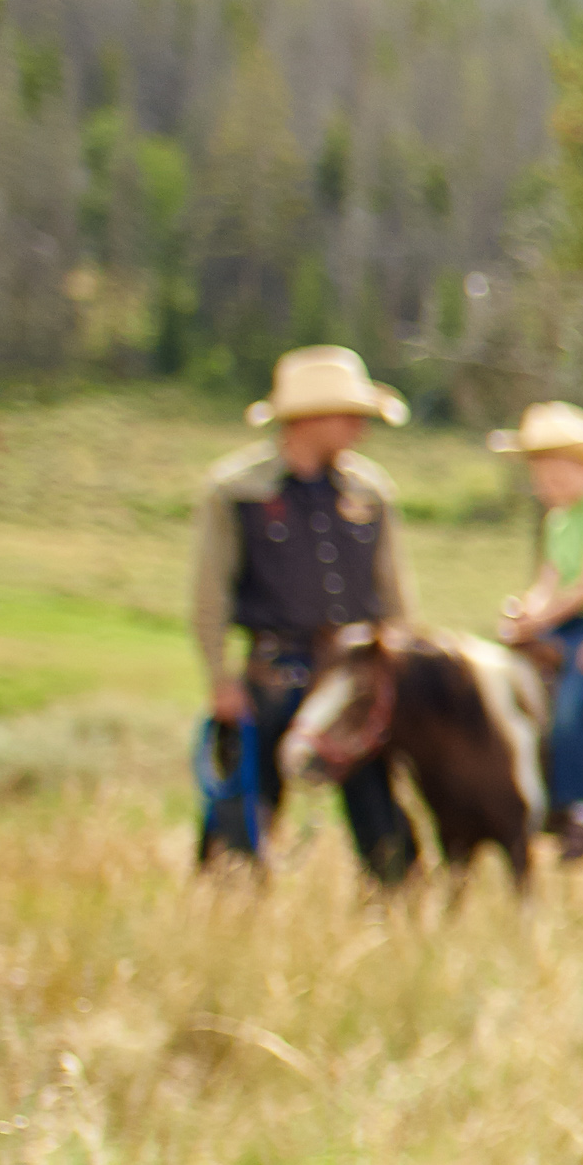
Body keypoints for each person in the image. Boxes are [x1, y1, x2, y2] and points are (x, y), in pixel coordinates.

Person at [186, 342, 423, 883]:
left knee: (376, 800)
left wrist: (401, 666)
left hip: (354, 670)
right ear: (310, 419)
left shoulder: (370, 491)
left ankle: (395, 895)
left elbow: (394, 591)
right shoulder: (237, 492)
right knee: (246, 799)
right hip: (275, 667)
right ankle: (229, 894)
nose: (359, 431)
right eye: (349, 417)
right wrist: (219, 678)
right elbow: (210, 594)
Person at [488, 399, 583, 859]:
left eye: (559, 471)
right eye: (541, 473)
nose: (549, 482)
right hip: (561, 618)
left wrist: (543, 617)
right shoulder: (557, 521)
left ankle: (581, 805)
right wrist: (525, 611)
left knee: (576, 699)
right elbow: (551, 579)